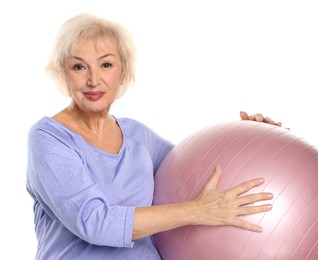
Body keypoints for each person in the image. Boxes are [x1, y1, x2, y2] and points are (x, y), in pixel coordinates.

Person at [26, 13, 282, 260]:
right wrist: (199, 211)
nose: (94, 80)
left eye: (106, 64)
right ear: (63, 72)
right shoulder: (49, 138)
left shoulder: (138, 136)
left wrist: (252, 138)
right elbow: (94, 222)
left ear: (122, 71)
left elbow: (195, 175)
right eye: (79, 66)